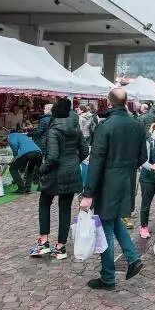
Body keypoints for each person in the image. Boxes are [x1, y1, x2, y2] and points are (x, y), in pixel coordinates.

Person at [79, 88, 146, 290]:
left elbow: (96, 161)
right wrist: (127, 169)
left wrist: (88, 193)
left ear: (109, 102)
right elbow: (143, 157)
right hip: (126, 180)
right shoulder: (137, 125)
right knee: (114, 220)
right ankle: (133, 257)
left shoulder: (105, 126)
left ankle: (108, 277)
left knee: (105, 229)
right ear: (126, 102)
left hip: (108, 183)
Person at [29, 98, 89, 259]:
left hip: (54, 173)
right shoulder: (75, 127)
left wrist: (41, 170)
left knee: (44, 203)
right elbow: (84, 150)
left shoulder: (54, 129)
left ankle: (43, 242)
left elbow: (53, 157)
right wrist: (73, 162)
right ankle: (60, 247)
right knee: (65, 208)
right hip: (71, 172)